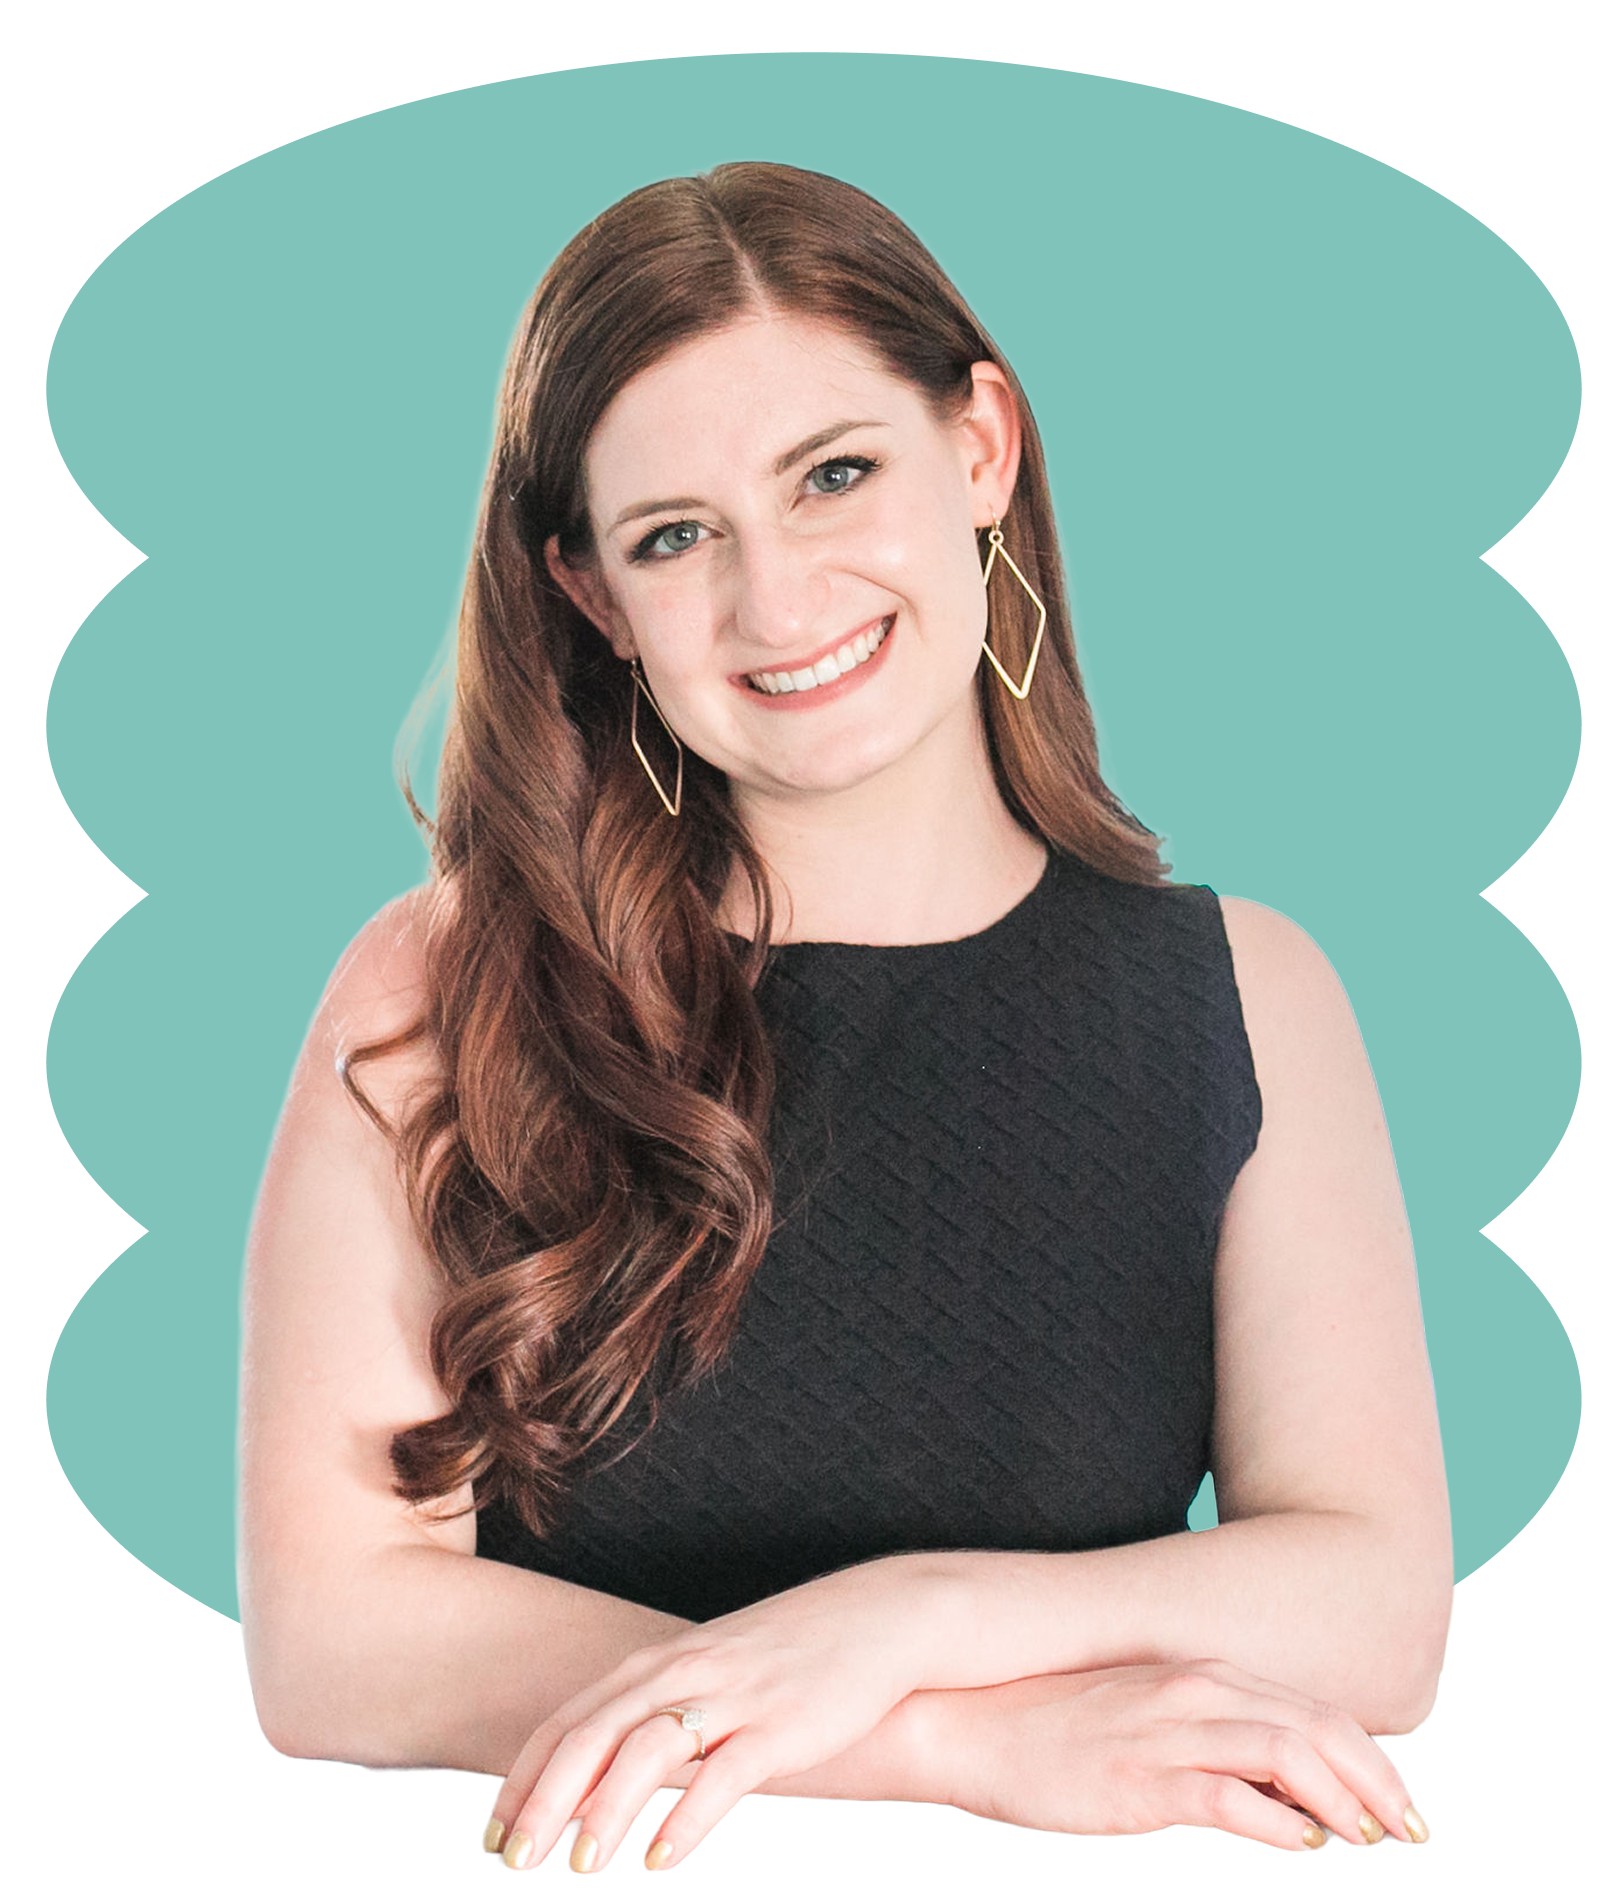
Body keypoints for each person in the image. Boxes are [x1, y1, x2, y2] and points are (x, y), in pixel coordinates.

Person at [237, 161, 1453, 1870]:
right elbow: (333, 1648)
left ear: (979, 450)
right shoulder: (439, 989)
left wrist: (901, 1621)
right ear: (590, 594)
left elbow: (1376, 1605)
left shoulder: (1246, 991)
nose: (776, 601)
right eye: (675, 535)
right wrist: (952, 1740)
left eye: (833, 475)